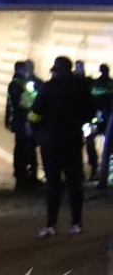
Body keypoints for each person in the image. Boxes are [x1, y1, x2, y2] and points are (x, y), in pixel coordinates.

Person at [29, 56, 95, 237]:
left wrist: (35, 128)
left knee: (53, 184)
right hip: (72, 140)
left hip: (50, 141)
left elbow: (35, 113)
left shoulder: (47, 88)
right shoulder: (81, 88)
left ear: (56, 70)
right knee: (74, 182)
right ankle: (76, 223)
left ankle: (51, 224)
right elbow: (90, 112)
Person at [6, 61, 40, 190]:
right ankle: (23, 178)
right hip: (23, 121)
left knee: (25, 149)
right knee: (24, 150)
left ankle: (26, 177)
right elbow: (26, 103)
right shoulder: (18, 84)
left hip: (21, 120)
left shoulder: (17, 83)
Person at [88, 63, 113, 181]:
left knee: (90, 141)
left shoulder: (96, 83)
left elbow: (92, 99)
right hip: (106, 118)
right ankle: (104, 173)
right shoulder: (109, 83)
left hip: (97, 117)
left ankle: (95, 170)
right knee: (108, 146)